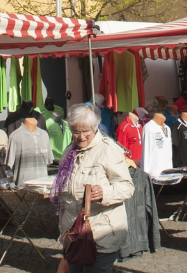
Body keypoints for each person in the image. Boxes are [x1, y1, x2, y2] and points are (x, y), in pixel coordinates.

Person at [51, 103, 135, 273]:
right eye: (76, 132)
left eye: (85, 132)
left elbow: (127, 187)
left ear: (95, 128)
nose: (81, 137)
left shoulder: (108, 150)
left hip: (101, 235)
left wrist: (105, 193)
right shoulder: (69, 152)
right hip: (74, 235)